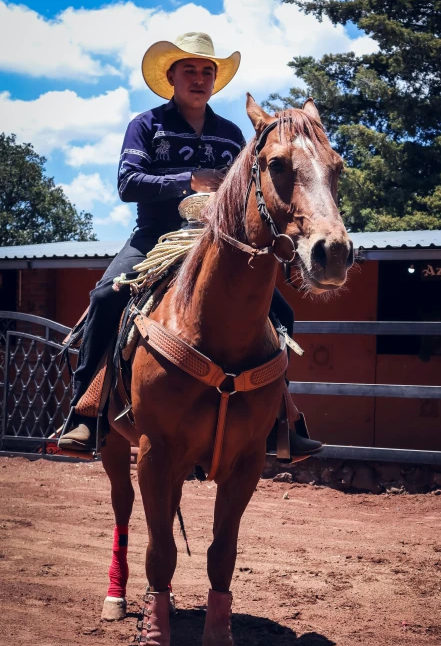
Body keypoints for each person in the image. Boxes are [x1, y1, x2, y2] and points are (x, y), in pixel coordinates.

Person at [59, 32, 321, 459]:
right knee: (106, 297)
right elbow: (128, 184)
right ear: (172, 77)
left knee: (281, 312)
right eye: (190, 71)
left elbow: (251, 191)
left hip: (216, 240)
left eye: (207, 72)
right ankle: (85, 414)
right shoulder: (146, 126)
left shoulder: (232, 132)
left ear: (214, 81)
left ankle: (282, 420)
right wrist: (188, 180)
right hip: (154, 240)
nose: (199, 79)